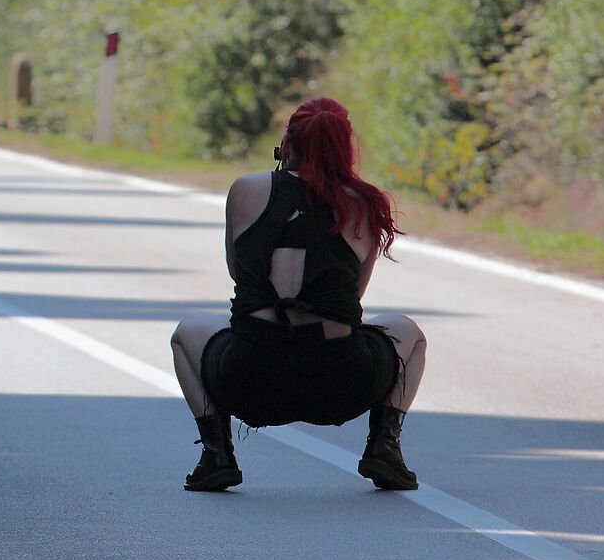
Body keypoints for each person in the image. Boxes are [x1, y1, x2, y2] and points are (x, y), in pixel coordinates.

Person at [170, 97, 428, 493]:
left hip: (251, 379)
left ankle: (215, 454)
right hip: (340, 384)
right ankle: (384, 447)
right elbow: (351, 298)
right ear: (345, 148)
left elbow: (239, 273)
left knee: (187, 332)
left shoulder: (246, 189)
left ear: (287, 142)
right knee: (408, 331)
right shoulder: (364, 203)